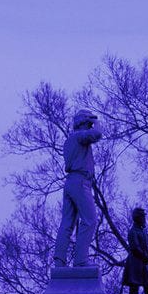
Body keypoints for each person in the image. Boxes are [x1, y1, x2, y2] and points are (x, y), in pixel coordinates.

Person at [53, 109, 103, 267]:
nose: (90, 125)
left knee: (67, 222)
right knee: (90, 220)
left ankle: (59, 260)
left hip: (71, 182)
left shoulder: (70, 140)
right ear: (83, 122)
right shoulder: (79, 136)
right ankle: (81, 260)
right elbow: (96, 134)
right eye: (88, 123)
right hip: (80, 182)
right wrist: (97, 123)